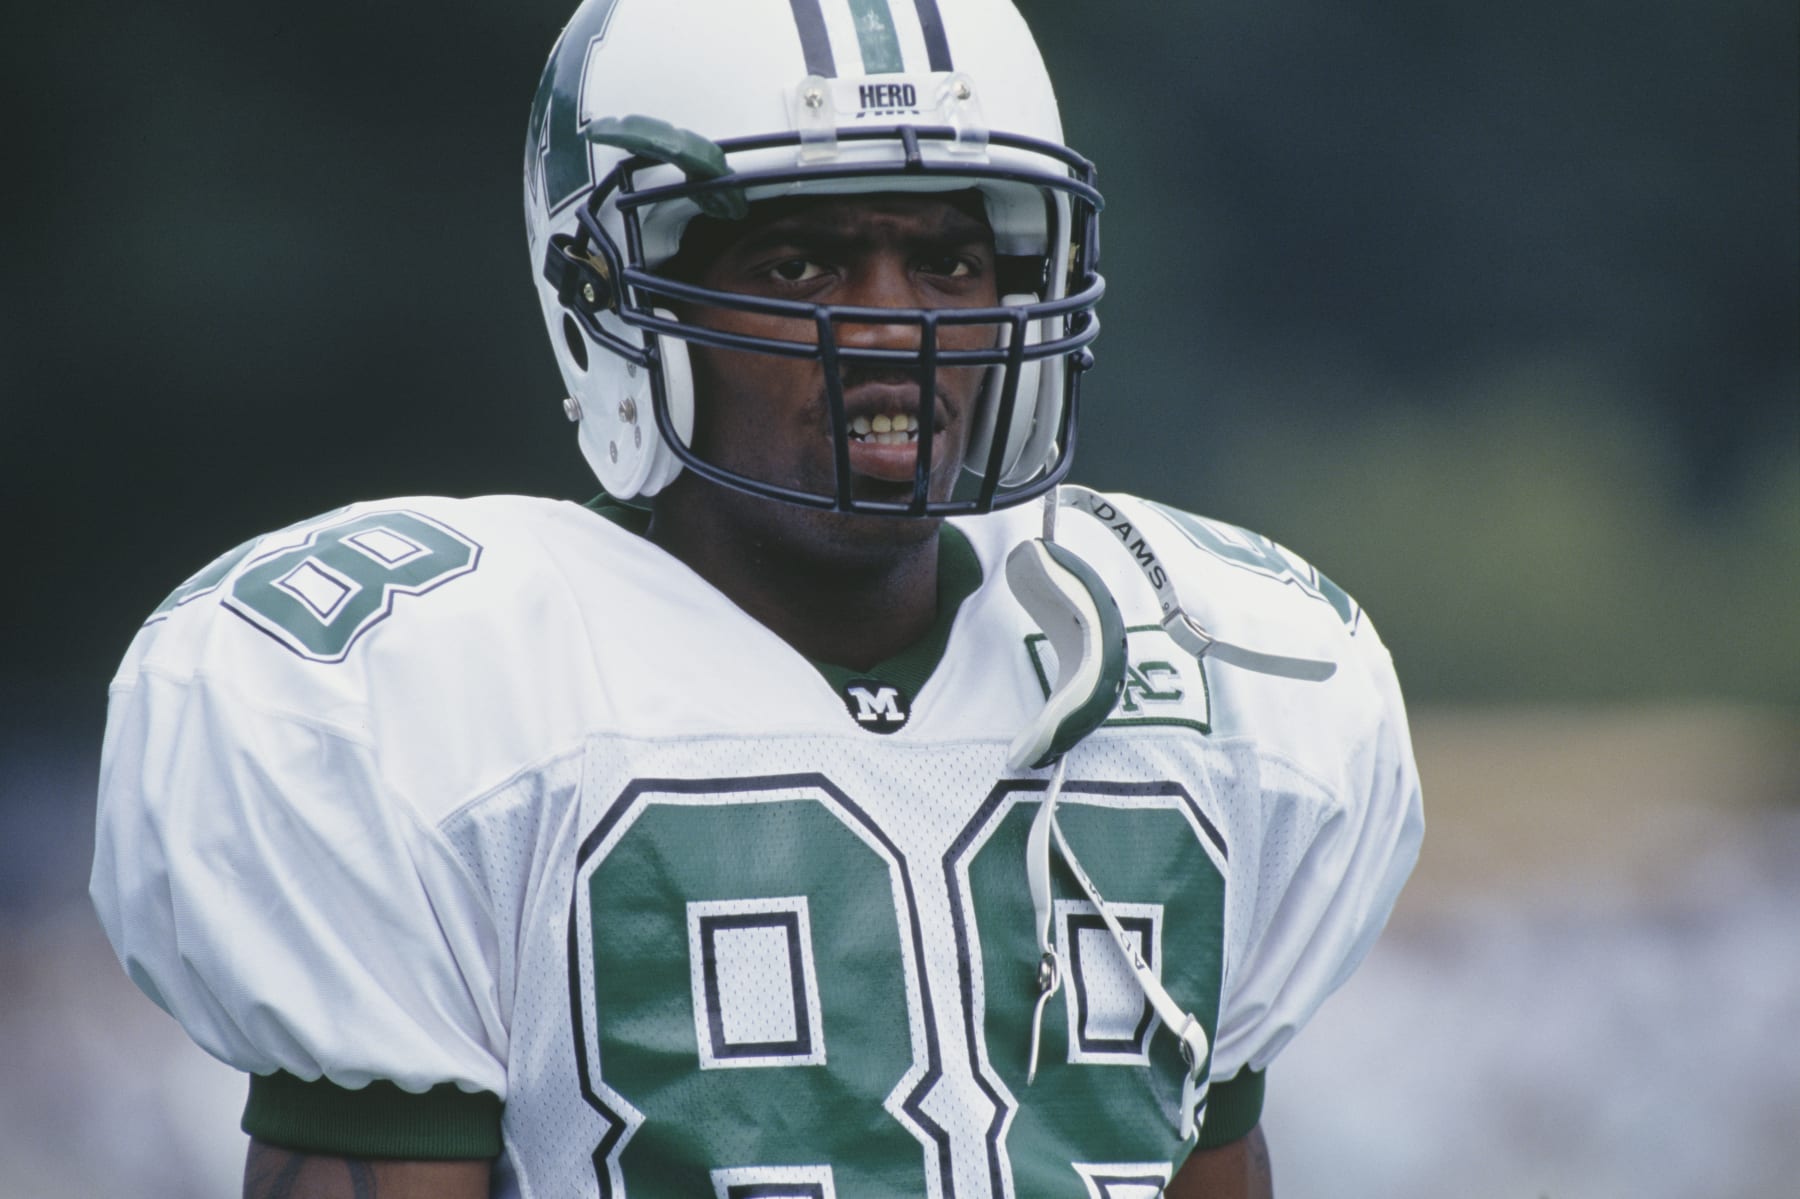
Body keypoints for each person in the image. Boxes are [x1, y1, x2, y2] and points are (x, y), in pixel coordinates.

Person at [91, 1, 1423, 1196]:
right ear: (609, 298)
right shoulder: (420, 687)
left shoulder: (1216, 663)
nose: (896, 325)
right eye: (802, 265)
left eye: (952, 263)